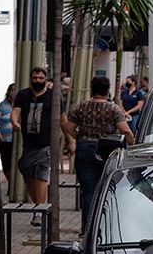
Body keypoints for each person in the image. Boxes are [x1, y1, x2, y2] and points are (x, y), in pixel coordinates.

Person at [62, 76, 135, 232]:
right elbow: (125, 130)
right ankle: (104, 227)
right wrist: (132, 144)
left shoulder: (81, 107)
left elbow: (68, 127)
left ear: (92, 89)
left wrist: (78, 137)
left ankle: (87, 229)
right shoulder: (113, 108)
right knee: (107, 190)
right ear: (107, 90)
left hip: (84, 151)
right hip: (106, 151)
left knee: (88, 192)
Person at [11, 67, 55, 226]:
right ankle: (38, 205)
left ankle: (39, 211)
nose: (37, 80)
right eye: (35, 78)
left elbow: (62, 118)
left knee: (41, 176)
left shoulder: (52, 97)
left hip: (46, 144)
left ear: (46, 79)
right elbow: (16, 111)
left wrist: (70, 140)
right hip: (28, 144)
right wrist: (14, 122)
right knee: (26, 170)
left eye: (41, 78)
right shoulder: (23, 95)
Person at [0, 83, 16, 178]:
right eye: (12, 90)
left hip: (17, 141)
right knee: (6, 165)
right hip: (4, 140)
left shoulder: (21, 105)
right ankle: (10, 183)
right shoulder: (3, 105)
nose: (14, 92)